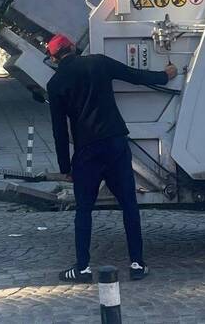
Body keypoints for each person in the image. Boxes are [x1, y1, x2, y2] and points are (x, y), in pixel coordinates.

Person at [45, 34, 177, 283]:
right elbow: (134, 75)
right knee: (129, 204)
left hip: (86, 151)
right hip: (115, 142)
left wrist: (66, 167)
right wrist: (164, 75)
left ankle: (82, 268)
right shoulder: (98, 62)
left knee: (84, 210)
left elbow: (59, 130)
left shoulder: (56, 84)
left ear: (53, 58)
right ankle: (137, 264)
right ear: (73, 47)